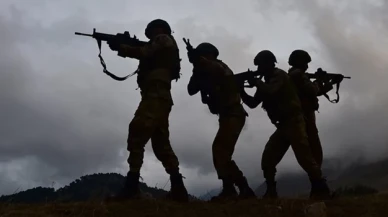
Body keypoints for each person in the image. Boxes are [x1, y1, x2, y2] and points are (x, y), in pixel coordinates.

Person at [106, 19, 188, 202]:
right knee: (161, 145)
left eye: (153, 30)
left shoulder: (163, 39)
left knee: (137, 131)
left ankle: (132, 188)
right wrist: (122, 46)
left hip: (156, 95)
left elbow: (144, 51)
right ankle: (178, 190)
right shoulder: (162, 44)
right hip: (158, 96)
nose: (151, 34)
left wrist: (123, 48)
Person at [240, 50, 331, 200]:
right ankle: (271, 191)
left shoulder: (279, 75)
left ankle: (321, 189)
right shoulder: (267, 81)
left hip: (294, 122)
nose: (259, 69)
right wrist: (241, 90)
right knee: (268, 158)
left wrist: (255, 81)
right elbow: (253, 103)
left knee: (305, 158)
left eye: (261, 65)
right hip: (283, 125)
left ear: (270, 64)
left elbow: (271, 91)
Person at [186, 42, 255, 201]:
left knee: (220, 149)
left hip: (234, 114)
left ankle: (236, 188)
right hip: (226, 116)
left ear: (209, 55)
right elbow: (191, 90)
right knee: (221, 151)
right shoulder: (203, 72)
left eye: (202, 55)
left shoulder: (221, 67)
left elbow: (215, 69)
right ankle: (238, 188)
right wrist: (196, 68)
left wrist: (199, 61)